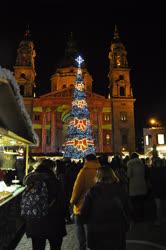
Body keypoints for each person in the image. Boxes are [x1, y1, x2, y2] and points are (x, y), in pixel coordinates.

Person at [80, 167, 131, 250]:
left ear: (98, 176)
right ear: (112, 175)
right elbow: (128, 210)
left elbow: (84, 214)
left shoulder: (92, 192)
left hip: (97, 234)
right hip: (117, 232)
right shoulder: (120, 190)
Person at [23, 159, 66, 250]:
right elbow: (62, 201)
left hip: (35, 220)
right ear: (51, 167)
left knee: (38, 247)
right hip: (54, 221)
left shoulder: (30, 179)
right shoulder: (54, 180)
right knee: (55, 247)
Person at [70, 154, 101, 250]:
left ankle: (82, 247)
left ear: (86, 160)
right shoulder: (100, 171)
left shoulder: (83, 172)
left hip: (82, 205)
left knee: (79, 226)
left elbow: (77, 189)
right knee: (93, 227)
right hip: (97, 204)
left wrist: (73, 201)